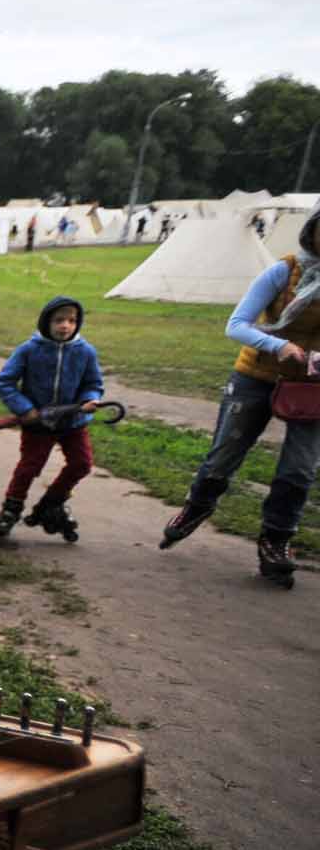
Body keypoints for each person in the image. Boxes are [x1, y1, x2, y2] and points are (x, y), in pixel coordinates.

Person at [159, 205, 320, 586]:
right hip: (257, 375)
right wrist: (278, 346)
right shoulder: (284, 271)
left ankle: (275, 541)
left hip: (311, 383)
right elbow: (237, 325)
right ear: (312, 230)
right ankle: (197, 507)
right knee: (224, 454)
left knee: (299, 469)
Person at [0, 297, 105, 544]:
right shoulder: (29, 349)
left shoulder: (85, 351)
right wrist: (25, 409)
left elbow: (93, 384)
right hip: (38, 423)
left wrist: (89, 400)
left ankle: (50, 504)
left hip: (73, 423)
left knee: (81, 464)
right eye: (59, 320)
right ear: (46, 322)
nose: (65, 325)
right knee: (29, 467)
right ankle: (11, 510)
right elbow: (5, 383)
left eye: (72, 320)